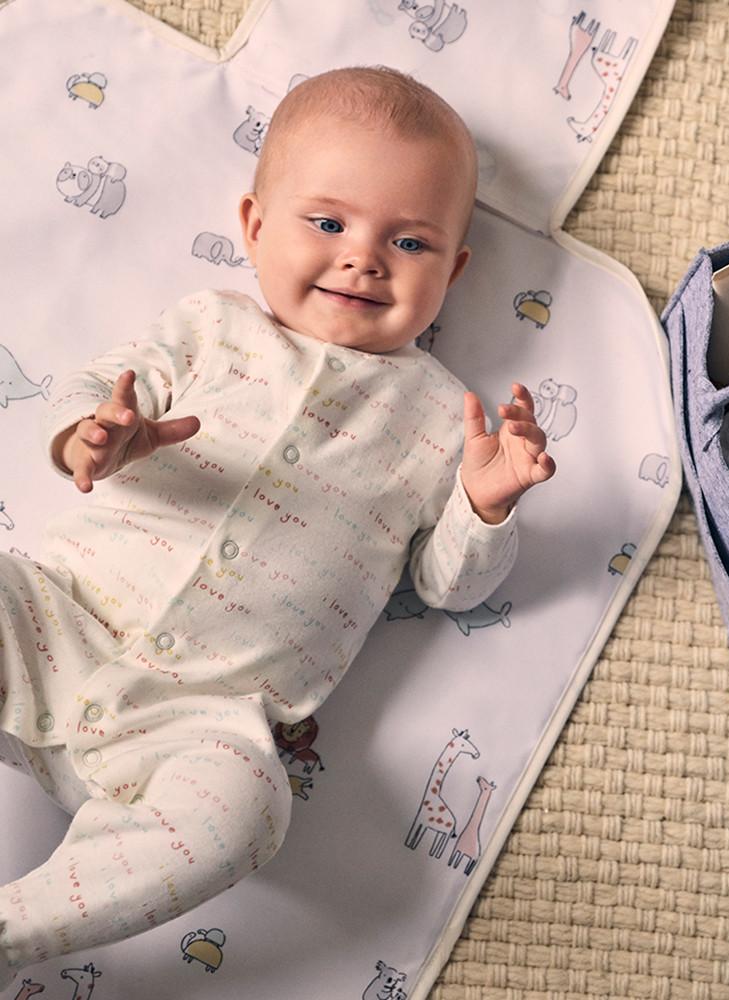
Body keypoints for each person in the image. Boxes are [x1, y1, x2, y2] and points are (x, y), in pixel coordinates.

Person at [0, 66, 555, 982]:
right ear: (256, 226)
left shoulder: (439, 414)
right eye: (328, 223)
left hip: (205, 718)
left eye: (409, 241)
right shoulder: (212, 327)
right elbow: (90, 392)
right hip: (55, 618)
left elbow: (450, 585)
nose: (363, 257)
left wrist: (487, 505)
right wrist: (97, 437)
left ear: (454, 269)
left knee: (247, 814)